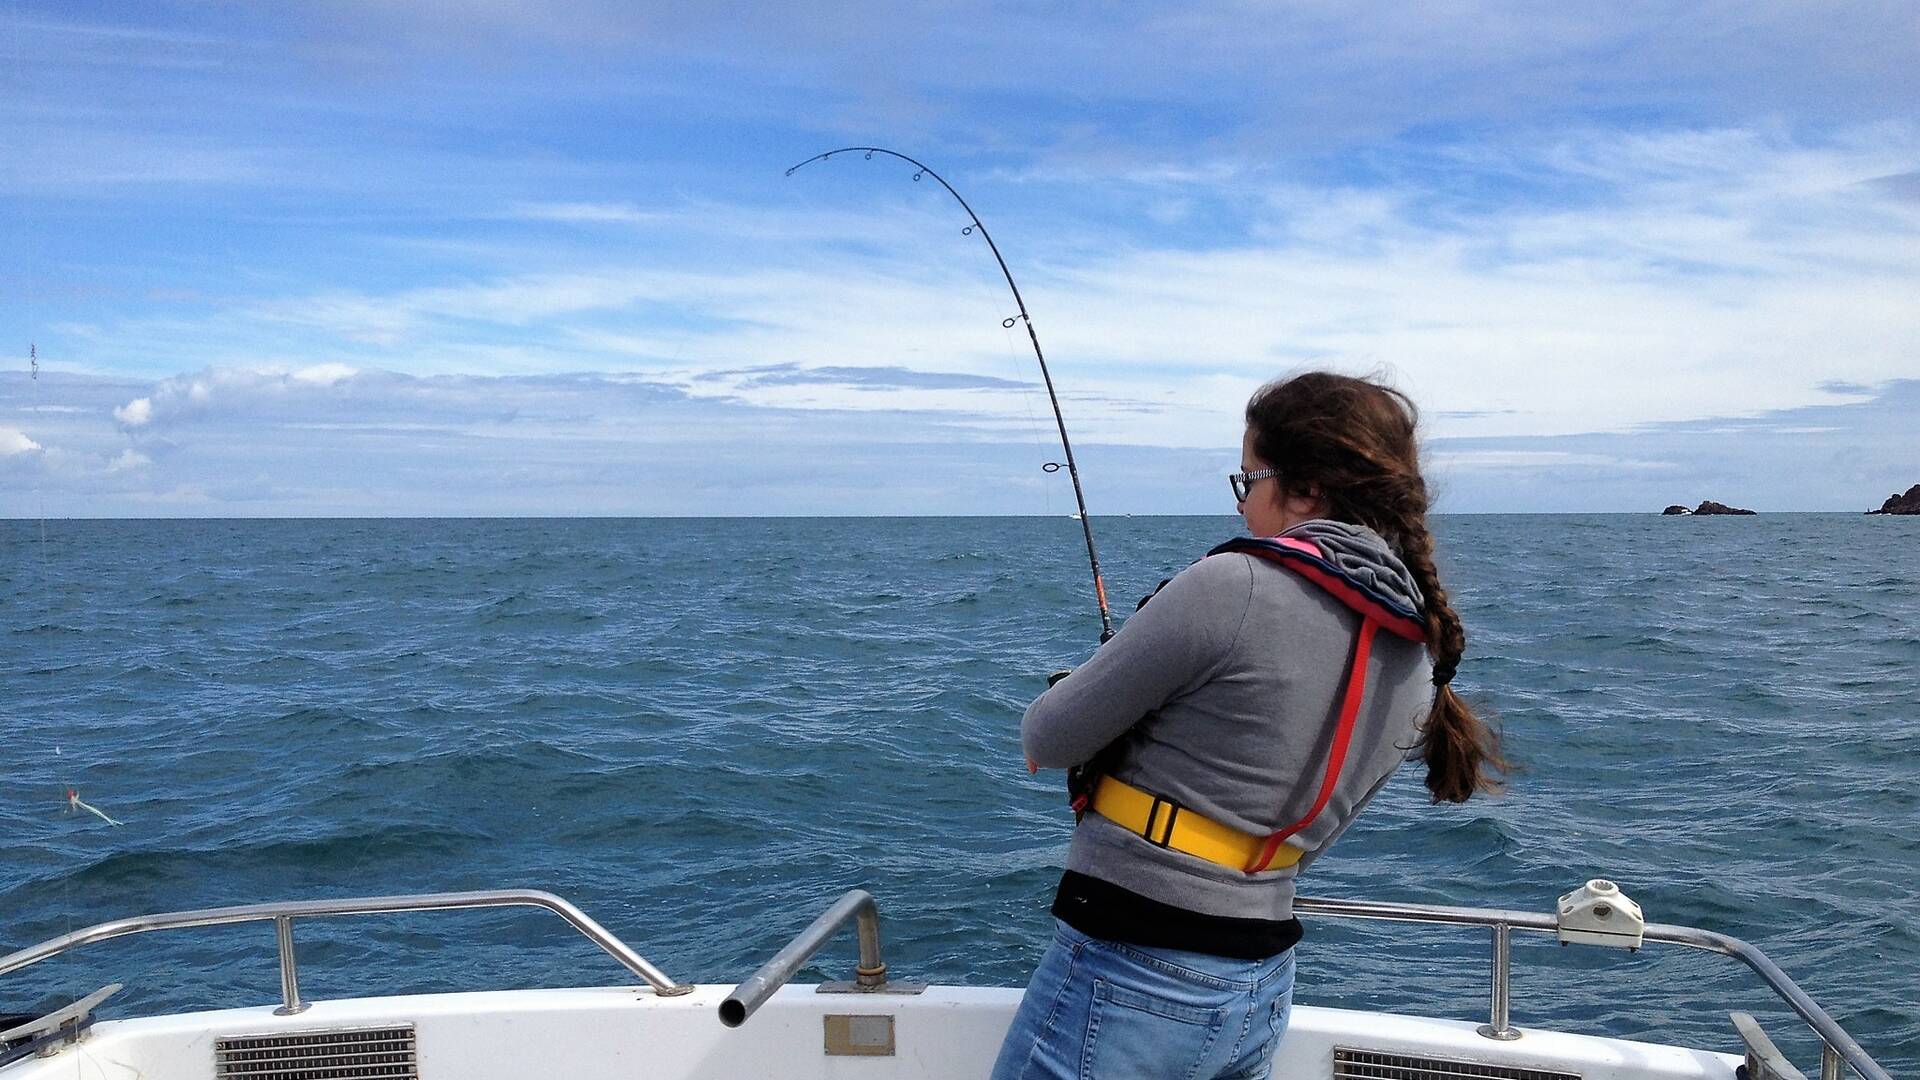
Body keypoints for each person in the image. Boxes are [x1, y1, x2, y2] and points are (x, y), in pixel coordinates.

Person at [989, 371, 1505, 1080]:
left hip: (1134, 972)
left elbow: (1047, 737)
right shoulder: (1420, 645)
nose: (1240, 499)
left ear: (1306, 489)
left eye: (1246, 477)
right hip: (1258, 986)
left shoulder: (1234, 586)